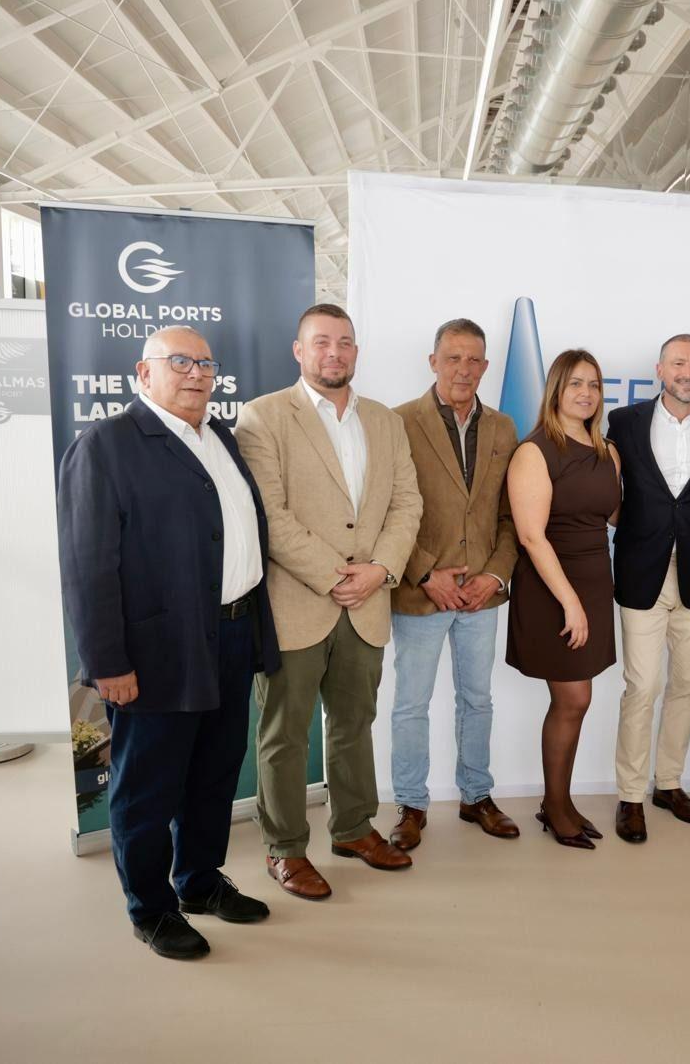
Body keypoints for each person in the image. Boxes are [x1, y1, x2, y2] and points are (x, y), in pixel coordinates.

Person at [57, 325, 279, 960]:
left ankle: (200, 883)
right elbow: (88, 567)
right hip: (156, 653)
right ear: (142, 371)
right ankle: (150, 908)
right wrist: (107, 663)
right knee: (148, 787)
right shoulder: (107, 445)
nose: (196, 373)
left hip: (232, 635)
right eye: (178, 361)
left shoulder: (221, 438)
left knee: (214, 774)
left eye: (206, 364)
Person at [235, 303, 423, 900]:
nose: (333, 353)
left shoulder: (385, 422)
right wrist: (333, 574)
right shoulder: (264, 417)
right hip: (297, 602)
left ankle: (351, 828)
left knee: (352, 725)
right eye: (321, 342)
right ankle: (285, 849)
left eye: (344, 342)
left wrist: (381, 570)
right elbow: (269, 513)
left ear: (356, 352)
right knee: (284, 735)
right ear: (299, 351)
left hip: (366, 605)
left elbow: (407, 504)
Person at [387, 318, 520, 850]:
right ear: (433, 361)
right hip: (422, 592)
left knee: (478, 701)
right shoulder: (397, 422)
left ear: (485, 367)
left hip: (481, 596)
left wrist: (494, 576)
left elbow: (510, 518)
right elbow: (385, 512)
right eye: (453, 358)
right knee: (411, 705)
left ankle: (476, 796)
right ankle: (411, 805)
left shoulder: (504, 429)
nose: (464, 369)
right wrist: (424, 573)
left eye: (474, 360)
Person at [606, 334, 690, 843]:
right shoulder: (624, 421)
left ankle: (669, 783)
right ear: (659, 368)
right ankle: (631, 795)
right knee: (642, 688)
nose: (688, 372)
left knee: (685, 687)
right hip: (642, 573)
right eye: (679, 363)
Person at [506, 349, 622, 850]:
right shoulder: (535, 451)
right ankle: (554, 805)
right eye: (575, 384)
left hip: (595, 579)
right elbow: (532, 537)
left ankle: (562, 799)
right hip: (553, 586)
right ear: (555, 389)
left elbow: (613, 517)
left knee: (577, 700)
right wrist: (570, 604)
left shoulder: (607, 450)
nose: (586, 394)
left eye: (594, 385)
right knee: (573, 697)